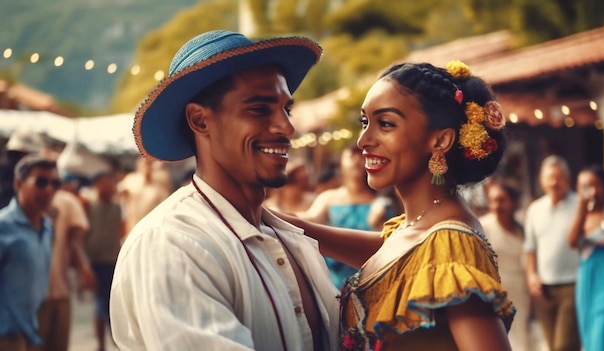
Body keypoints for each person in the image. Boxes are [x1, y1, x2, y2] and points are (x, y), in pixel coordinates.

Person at [109, 30, 339, 351]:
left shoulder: (290, 240)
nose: (286, 127)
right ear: (200, 121)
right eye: (259, 109)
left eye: (286, 109)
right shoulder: (172, 244)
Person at [276, 61, 515, 350]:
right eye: (365, 122)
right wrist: (285, 224)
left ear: (440, 140)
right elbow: (395, 259)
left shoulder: (451, 243)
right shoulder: (417, 228)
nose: (364, 140)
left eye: (386, 124)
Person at [298, 144, 392, 288]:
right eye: (351, 155)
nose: (356, 160)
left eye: (360, 156)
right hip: (335, 281)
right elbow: (310, 219)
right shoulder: (329, 197)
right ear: (341, 162)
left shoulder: (381, 201)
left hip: (373, 278)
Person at [0, 155, 58, 350]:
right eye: (41, 182)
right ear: (19, 183)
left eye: (54, 183)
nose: (49, 189)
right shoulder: (3, 226)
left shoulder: (47, 228)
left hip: (30, 333)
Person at [524, 155, 580, 351]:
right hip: (544, 288)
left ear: (567, 179)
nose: (554, 182)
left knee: (564, 346)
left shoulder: (579, 205)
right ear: (542, 180)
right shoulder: (535, 209)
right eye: (550, 177)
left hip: (573, 284)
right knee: (551, 345)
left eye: (559, 177)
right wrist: (531, 275)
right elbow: (530, 248)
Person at [567, 165, 604, 351]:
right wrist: (581, 209)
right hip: (588, 286)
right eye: (583, 186)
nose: (589, 191)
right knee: (591, 341)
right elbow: (572, 241)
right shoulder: (580, 217)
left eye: (593, 185)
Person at [36, 172, 96, 351]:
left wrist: (83, 267)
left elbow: (75, 240)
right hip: (29, 296)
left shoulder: (67, 202)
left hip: (58, 290)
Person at [480, 179, 532, 351]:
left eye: (501, 200)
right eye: (493, 200)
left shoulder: (521, 230)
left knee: (520, 339)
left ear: (513, 202)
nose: (496, 205)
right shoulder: (482, 226)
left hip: (518, 292)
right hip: (492, 293)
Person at [84, 171, 123, 351]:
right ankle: (102, 344)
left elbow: (121, 230)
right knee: (101, 301)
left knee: (109, 301)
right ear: (98, 184)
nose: (110, 187)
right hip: (95, 261)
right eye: (107, 183)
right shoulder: (88, 206)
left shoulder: (117, 207)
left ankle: (113, 340)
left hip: (113, 260)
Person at [117, 157, 171, 239]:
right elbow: (118, 192)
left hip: (152, 231)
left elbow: (166, 208)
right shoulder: (131, 179)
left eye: (149, 164)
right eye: (144, 164)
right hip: (132, 228)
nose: (146, 167)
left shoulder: (159, 187)